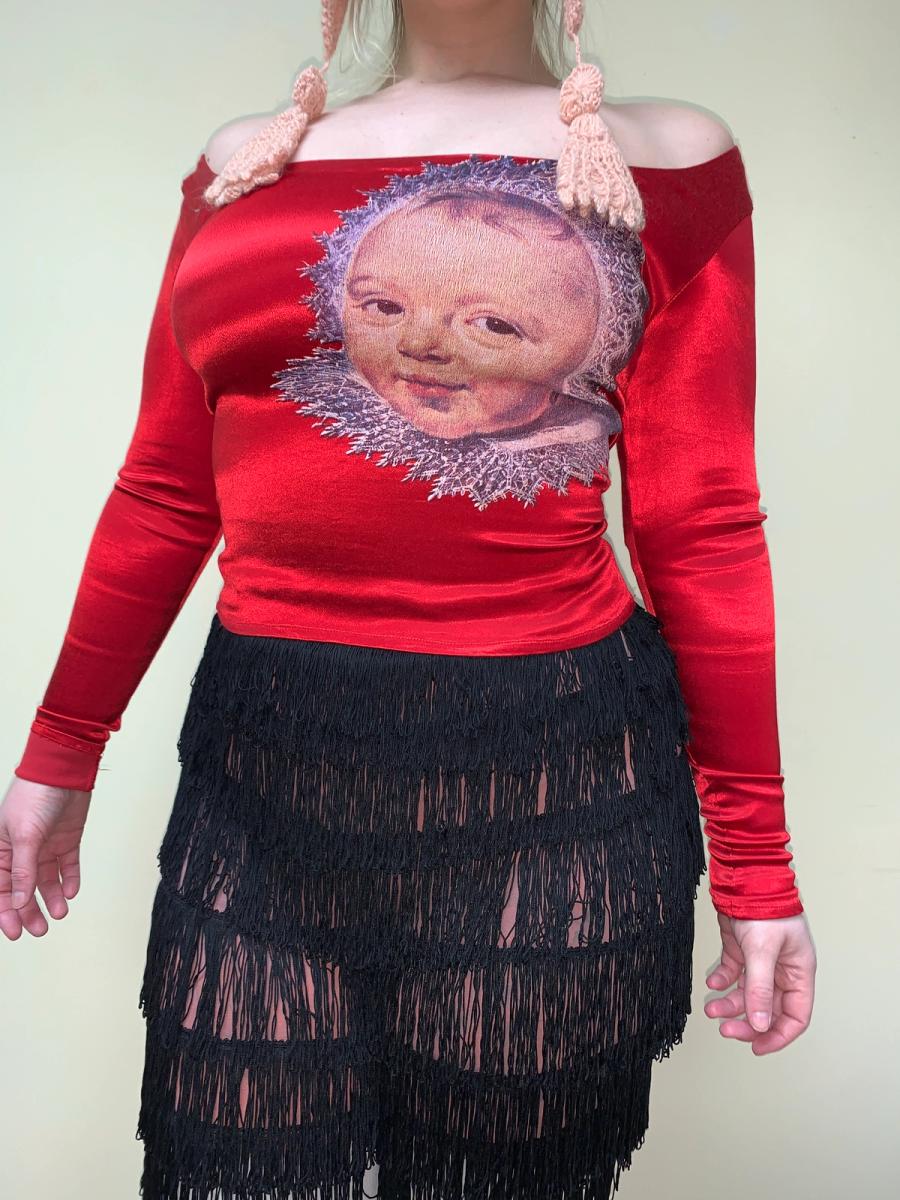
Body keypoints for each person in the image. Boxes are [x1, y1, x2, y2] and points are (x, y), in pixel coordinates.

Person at [2, 1, 817, 1197]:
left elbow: (700, 526)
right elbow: (167, 491)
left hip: (556, 779)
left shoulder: (665, 158)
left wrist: (757, 861)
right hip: (261, 770)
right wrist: (60, 748)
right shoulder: (245, 165)